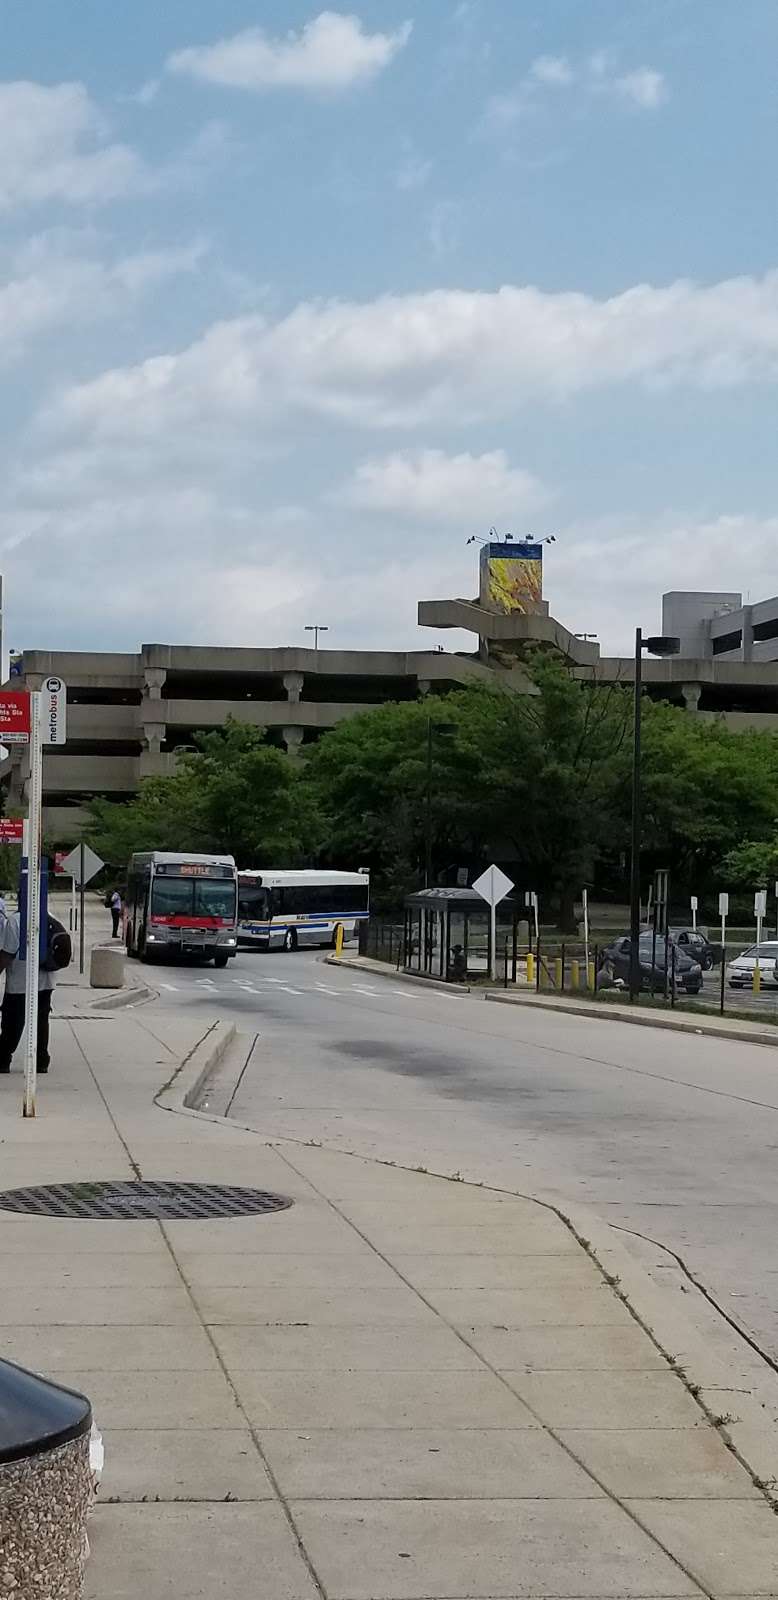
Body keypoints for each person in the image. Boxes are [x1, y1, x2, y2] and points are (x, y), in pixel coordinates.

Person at [0, 910, 55, 1075]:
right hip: (46, 979)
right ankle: (41, 1060)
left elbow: (8, 953)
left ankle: (3, 1057)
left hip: (20, 981)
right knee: (41, 1020)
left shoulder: (15, 921)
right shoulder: (50, 916)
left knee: (12, 1022)